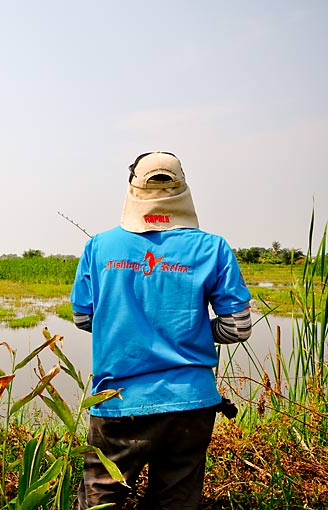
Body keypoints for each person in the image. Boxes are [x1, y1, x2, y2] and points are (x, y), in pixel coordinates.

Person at [70, 151, 252, 509]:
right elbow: (238, 326)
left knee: (101, 499)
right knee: (176, 502)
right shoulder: (213, 248)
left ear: (132, 189)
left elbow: (83, 318)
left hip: (118, 404)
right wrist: (191, 331)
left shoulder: (99, 247)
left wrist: (130, 330)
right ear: (183, 189)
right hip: (192, 403)